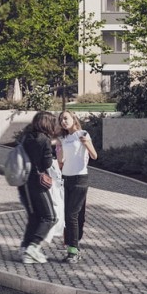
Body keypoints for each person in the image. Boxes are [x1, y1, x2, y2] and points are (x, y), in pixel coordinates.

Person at [16, 111, 60, 265]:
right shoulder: (44, 140)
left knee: (34, 217)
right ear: (47, 124)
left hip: (24, 183)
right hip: (38, 183)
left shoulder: (27, 138)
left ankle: (24, 248)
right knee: (50, 217)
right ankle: (32, 249)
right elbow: (47, 163)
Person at [57, 111, 97, 263]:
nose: (63, 121)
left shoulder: (83, 134)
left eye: (66, 118)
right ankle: (74, 243)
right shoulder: (63, 138)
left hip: (80, 179)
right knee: (75, 216)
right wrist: (59, 149)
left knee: (71, 216)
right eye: (61, 119)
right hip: (66, 178)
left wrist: (86, 143)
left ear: (73, 119)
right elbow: (61, 161)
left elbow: (94, 156)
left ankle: (73, 251)